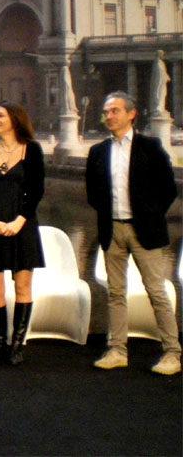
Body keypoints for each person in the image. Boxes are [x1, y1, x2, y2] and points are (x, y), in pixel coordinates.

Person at [85, 91, 180, 375]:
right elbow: (93, 193)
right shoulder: (98, 151)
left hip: (145, 230)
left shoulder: (150, 147)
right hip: (112, 229)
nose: (109, 116)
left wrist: (150, 215)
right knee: (116, 293)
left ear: (131, 114)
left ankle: (173, 353)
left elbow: (168, 188)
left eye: (115, 111)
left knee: (156, 291)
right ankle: (117, 350)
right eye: (106, 112)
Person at [0, 102, 45, 366]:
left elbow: (37, 189)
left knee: (22, 286)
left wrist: (19, 221)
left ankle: (17, 344)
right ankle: (0, 342)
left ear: (15, 119)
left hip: (22, 226)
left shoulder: (32, 150)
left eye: (1, 115)